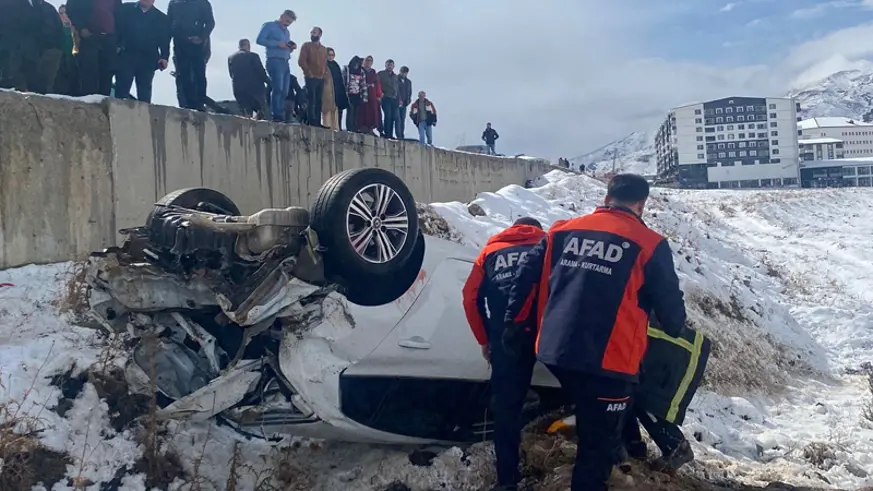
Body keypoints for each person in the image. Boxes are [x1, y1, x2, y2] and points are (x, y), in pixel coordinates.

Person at [502, 173, 687, 491]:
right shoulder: (650, 244)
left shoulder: (561, 231)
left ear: (606, 198)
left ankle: (627, 454)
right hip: (609, 364)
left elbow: (524, 278)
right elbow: (672, 317)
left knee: (602, 421)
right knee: (596, 450)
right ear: (641, 205)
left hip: (555, 353)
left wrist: (512, 324)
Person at [462, 217, 546, 491]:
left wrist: (485, 339)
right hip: (549, 334)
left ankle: (507, 481)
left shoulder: (489, 252)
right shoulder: (548, 245)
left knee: (507, 411)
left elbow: (469, 297)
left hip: (507, 338)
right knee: (585, 393)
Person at [620, 316, 708, 474]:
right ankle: (633, 445)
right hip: (650, 342)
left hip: (663, 350)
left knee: (646, 400)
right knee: (625, 392)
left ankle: (676, 447)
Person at [115, 0, 169, 103]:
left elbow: (164, 40)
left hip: (148, 60)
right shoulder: (125, 9)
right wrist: (116, 46)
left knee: (144, 95)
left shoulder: (161, 18)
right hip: (126, 55)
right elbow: (117, 28)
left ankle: (144, 117)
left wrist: (164, 57)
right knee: (121, 91)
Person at [66, 0, 121, 96]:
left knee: (106, 75)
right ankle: (88, 103)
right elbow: (71, 8)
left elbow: (119, 14)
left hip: (109, 40)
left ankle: (104, 104)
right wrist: (81, 28)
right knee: (89, 73)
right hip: (90, 37)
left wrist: (118, 39)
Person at [167, 0, 214, 110]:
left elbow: (210, 22)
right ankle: (188, 102)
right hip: (180, 43)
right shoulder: (174, 3)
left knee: (199, 73)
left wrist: (201, 37)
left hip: (197, 44)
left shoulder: (202, 2)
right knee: (183, 74)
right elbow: (168, 23)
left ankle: (200, 102)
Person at [257, 9, 296, 122]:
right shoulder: (269, 26)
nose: (287, 24)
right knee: (277, 87)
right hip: (274, 60)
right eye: (287, 21)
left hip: (285, 61)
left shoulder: (287, 32)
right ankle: (276, 114)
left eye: (290, 23)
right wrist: (277, 44)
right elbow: (259, 40)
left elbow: (285, 46)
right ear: (282, 16)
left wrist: (290, 47)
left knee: (285, 90)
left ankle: (279, 112)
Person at [21, 0, 66, 95]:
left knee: (46, 83)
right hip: (28, 52)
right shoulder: (23, 6)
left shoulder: (49, 9)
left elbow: (59, 30)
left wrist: (58, 48)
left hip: (50, 50)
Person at [228, 38, 268, 119]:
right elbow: (260, 71)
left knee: (245, 113)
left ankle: (247, 127)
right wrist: (269, 82)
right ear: (248, 45)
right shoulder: (253, 56)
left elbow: (231, 74)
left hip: (238, 88)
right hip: (254, 89)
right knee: (262, 110)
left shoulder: (231, 57)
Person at [298, 26, 327, 127]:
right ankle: (311, 121)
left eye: (314, 32)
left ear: (319, 34)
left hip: (320, 78)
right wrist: (308, 73)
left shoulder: (323, 49)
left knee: (319, 100)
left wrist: (323, 74)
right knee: (312, 99)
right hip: (310, 77)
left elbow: (324, 63)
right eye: (311, 32)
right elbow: (301, 61)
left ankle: (318, 122)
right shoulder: (306, 46)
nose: (312, 34)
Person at [356, 55, 381, 135]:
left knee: (373, 110)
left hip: (372, 93)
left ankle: (371, 127)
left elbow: (377, 83)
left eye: (370, 61)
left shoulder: (373, 71)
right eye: (367, 60)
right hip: (363, 92)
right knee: (363, 110)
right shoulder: (361, 70)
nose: (369, 62)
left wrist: (378, 94)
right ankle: (362, 127)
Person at [326, 47, 348, 130]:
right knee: (328, 109)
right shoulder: (324, 64)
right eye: (329, 54)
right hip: (327, 89)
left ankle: (337, 126)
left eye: (332, 55)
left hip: (337, 90)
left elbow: (340, 79)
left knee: (338, 109)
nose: (331, 56)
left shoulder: (336, 65)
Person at [377, 59, 399, 139]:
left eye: (391, 65)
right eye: (388, 65)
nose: (390, 66)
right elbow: (377, 83)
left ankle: (390, 134)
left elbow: (397, 88)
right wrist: (380, 93)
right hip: (385, 97)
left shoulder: (395, 76)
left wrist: (398, 98)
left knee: (393, 117)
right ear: (386, 65)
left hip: (394, 98)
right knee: (388, 115)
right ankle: (386, 133)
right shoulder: (381, 74)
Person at [343, 55, 365, 133]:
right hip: (349, 94)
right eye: (355, 63)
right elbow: (344, 81)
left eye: (358, 63)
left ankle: (355, 127)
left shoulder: (361, 71)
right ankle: (349, 127)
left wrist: (364, 97)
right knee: (350, 111)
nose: (356, 65)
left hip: (358, 94)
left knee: (356, 112)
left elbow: (363, 84)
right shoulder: (347, 69)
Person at [321, 58, 338, 130]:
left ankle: (334, 127)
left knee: (333, 111)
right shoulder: (322, 66)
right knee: (326, 111)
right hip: (325, 94)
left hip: (332, 93)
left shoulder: (334, 66)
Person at [397, 66, 412, 139]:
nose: (403, 74)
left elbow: (409, 92)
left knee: (402, 119)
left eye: (405, 73)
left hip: (404, 104)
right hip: (396, 103)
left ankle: (401, 134)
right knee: (397, 119)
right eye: (402, 72)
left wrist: (408, 100)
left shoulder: (408, 82)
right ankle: (398, 135)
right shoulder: (395, 79)